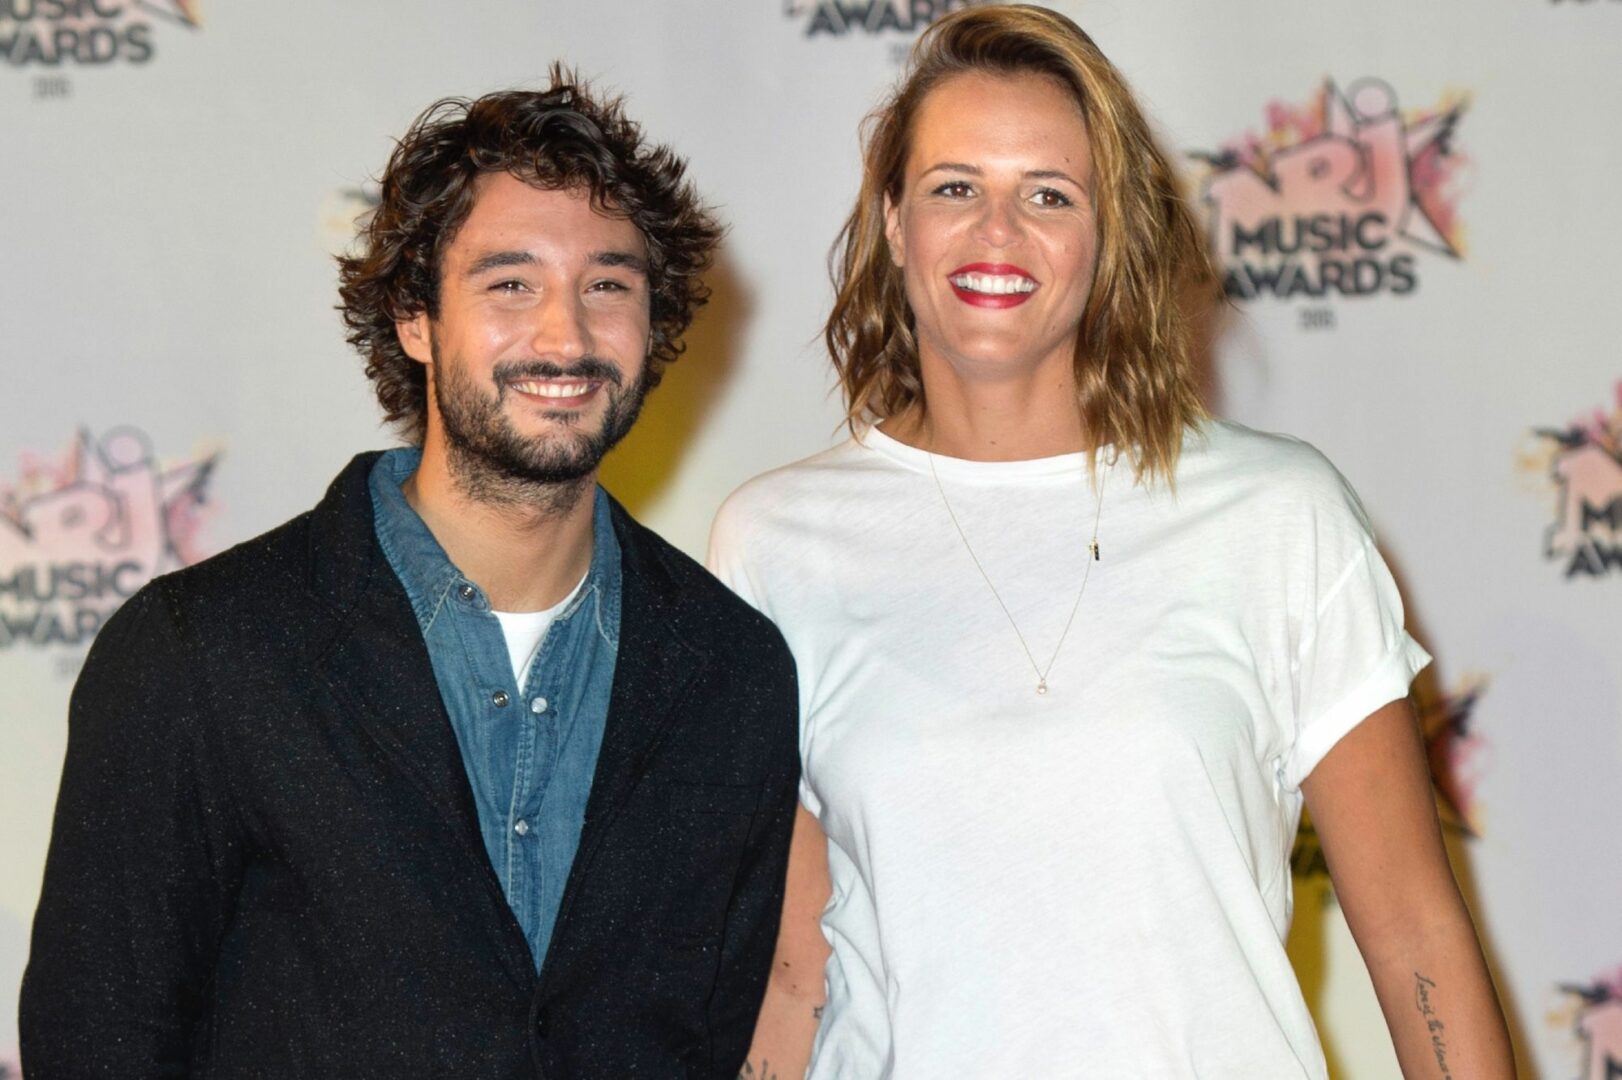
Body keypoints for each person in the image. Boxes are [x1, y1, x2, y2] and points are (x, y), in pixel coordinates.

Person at [710, 7, 1514, 1078]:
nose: (995, 234)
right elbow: (792, 971)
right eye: (955, 188)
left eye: (1047, 196)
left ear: (1108, 238)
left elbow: (1412, 925)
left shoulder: (1276, 513)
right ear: (894, 221)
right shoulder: (774, 543)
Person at [21, 70, 799, 1079]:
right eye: (509, 284)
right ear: (413, 318)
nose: (564, 335)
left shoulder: (731, 672)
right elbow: (98, 1043)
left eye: (606, 285)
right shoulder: (202, 654)